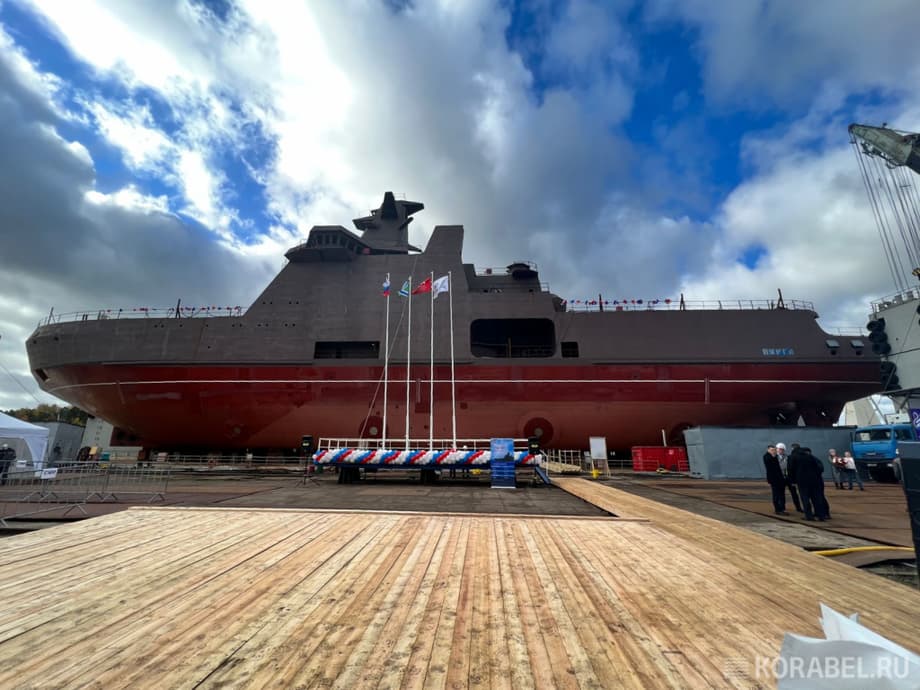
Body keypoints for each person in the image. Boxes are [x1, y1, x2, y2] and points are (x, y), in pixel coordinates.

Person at [776, 443, 802, 512]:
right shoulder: (775, 457)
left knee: (794, 493)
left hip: (789, 478)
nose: (780, 450)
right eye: (779, 449)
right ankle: (782, 508)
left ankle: (798, 508)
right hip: (781, 478)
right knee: (781, 494)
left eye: (781, 449)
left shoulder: (788, 457)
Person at [762, 445, 788, 515]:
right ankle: (777, 509)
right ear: (768, 450)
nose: (774, 451)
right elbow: (768, 463)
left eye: (774, 450)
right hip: (774, 479)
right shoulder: (767, 456)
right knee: (776, 494)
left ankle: (782, 508)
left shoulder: (775, 456)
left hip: (780, 478)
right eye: (772, 450)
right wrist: (773, 456)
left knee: (781, 494)